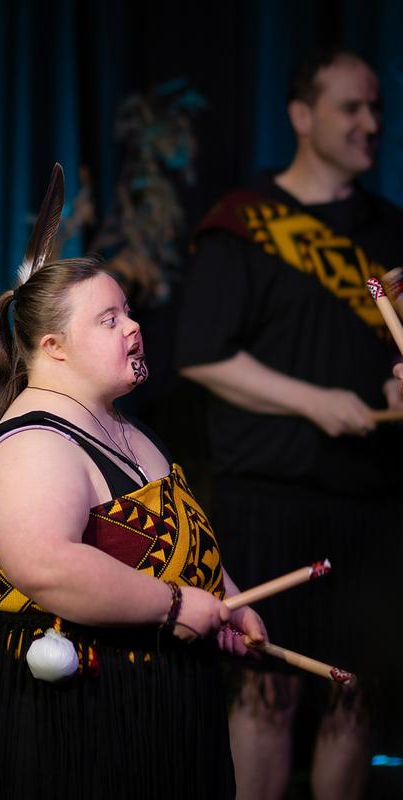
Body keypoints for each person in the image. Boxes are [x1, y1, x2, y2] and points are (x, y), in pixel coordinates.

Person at [0, 164, 266, 800]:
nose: (134, 327)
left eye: (128, 312)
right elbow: (47, 565)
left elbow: (173, 540)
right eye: (109, 320)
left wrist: (226, 596)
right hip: (62, 718)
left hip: (154, 708)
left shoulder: (121, 427)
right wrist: (174, 606)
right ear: (53, 347)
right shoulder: (33, 443)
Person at [176, 48, 403, 800]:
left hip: (372, 505)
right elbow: (202, 355)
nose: (370, 123)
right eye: (350, 107)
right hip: (266, 502)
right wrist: (311, 399)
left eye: (376, 107)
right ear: (301, 115)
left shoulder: (390, 235)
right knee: (264, 698)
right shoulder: (240, 224)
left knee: (355, 701)